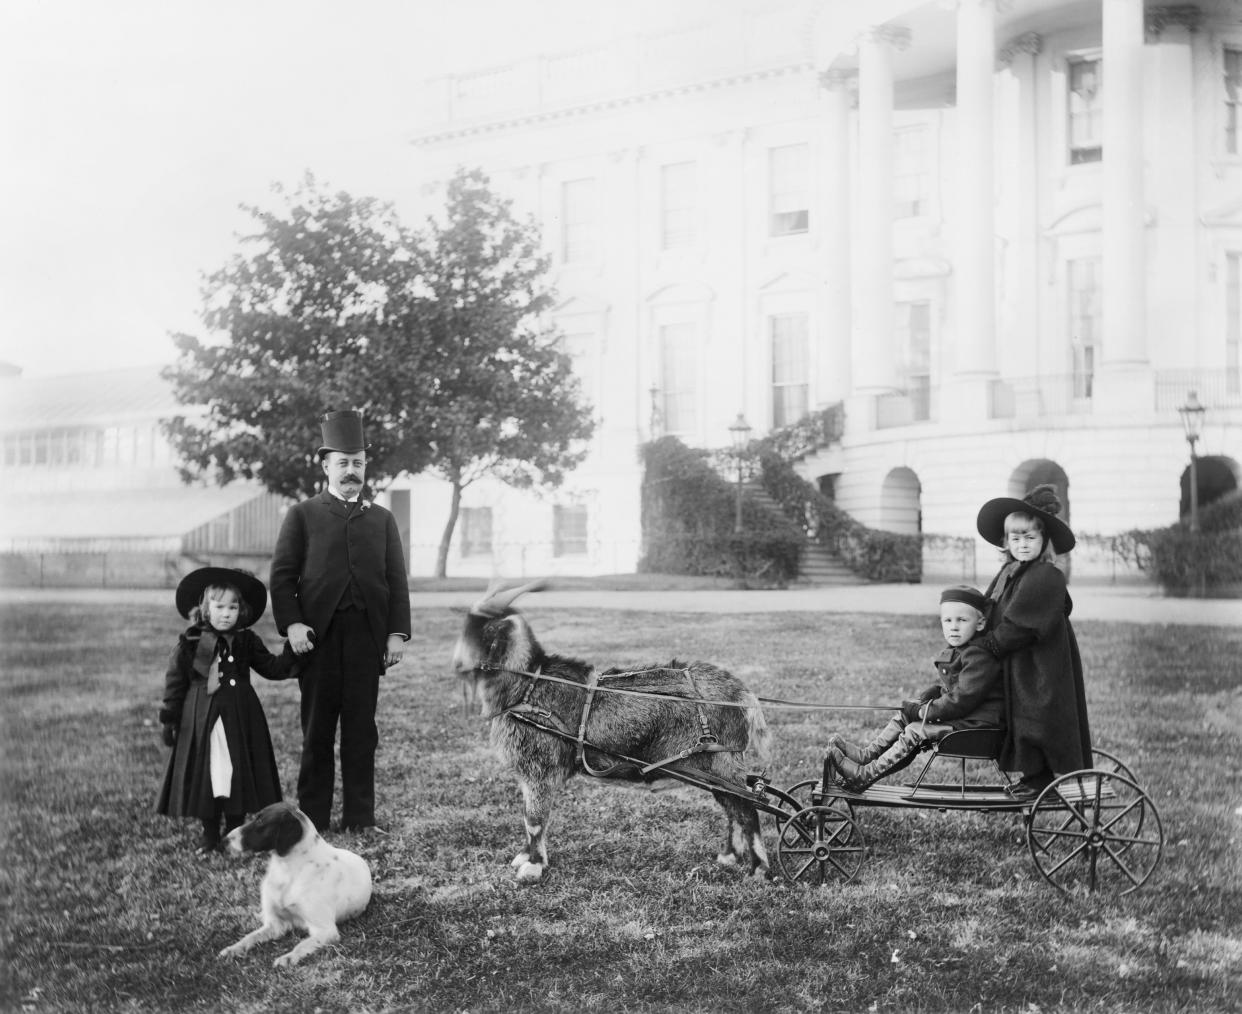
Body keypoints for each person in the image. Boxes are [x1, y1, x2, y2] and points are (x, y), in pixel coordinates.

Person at [269, 410, 411, 833]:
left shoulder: (382, 519)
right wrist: (293, 625)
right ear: (326, 465)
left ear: (366, 467)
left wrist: (396, 633)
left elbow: (396, 581)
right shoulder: (303, 515)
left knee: (361, 732)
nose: (352, 471)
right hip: (317, 641)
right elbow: (282, 577)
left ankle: (360, 818)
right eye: (343, 462)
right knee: (317, 732)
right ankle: (311, 819)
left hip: (367, 641)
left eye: (359, 463)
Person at [156, 567, 297, 854]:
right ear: (205, 609)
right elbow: (175, 682)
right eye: (219, 607)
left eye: (233, 607)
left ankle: (233, 830)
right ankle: (209, 836)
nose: (226, 613)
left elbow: (272, 667)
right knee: (208, 772)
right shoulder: (190, 643)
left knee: (236, 771)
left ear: (241, 610)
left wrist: (293, 651)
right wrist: (170, 719)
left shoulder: (246, 641)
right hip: (201, 718)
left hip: (240, 718)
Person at [822, 584, 1004, 793]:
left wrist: (921, 711)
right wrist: (935, 692)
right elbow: (958, 687)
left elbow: (962, 700)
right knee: (903, 717)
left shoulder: (980, 656)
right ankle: (866, 756)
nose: (954, 627)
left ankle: (864, 775)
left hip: (977, 726)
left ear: (980, 623)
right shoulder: (962, 650)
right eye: (948, 620)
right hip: (963, 718)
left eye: (962, 620)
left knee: (915, 730)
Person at [975, 483, 1092, 800]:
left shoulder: (1044, 576)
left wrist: (990, 646)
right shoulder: (1011, 572)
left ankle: (1042, 781)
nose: (1023, 544)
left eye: (1030, 538)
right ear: (1006, 541)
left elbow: (1019, 626)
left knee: (1035, 719)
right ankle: (1033, 777)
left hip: (1041, 665)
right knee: (1020, 718)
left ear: (1044, 541)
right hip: (1020, 663)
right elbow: (989, 606)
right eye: (1016, 538)